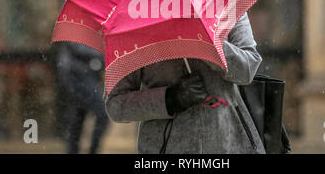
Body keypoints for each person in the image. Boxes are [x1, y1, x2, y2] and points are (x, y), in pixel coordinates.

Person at [105, 12, 265, 154]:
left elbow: (247, 70)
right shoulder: (136, 21)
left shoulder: (227, 4)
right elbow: (116, 105)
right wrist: (171, 99)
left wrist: (205, 42)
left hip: (230, 143)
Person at [57, 0, 110, 154]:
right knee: (100, 113)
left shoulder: (91, 0)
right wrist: (100, 56)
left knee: (78, 115)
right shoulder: (76, 0)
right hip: (75, 69)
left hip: (82, 69)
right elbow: (73, 41)